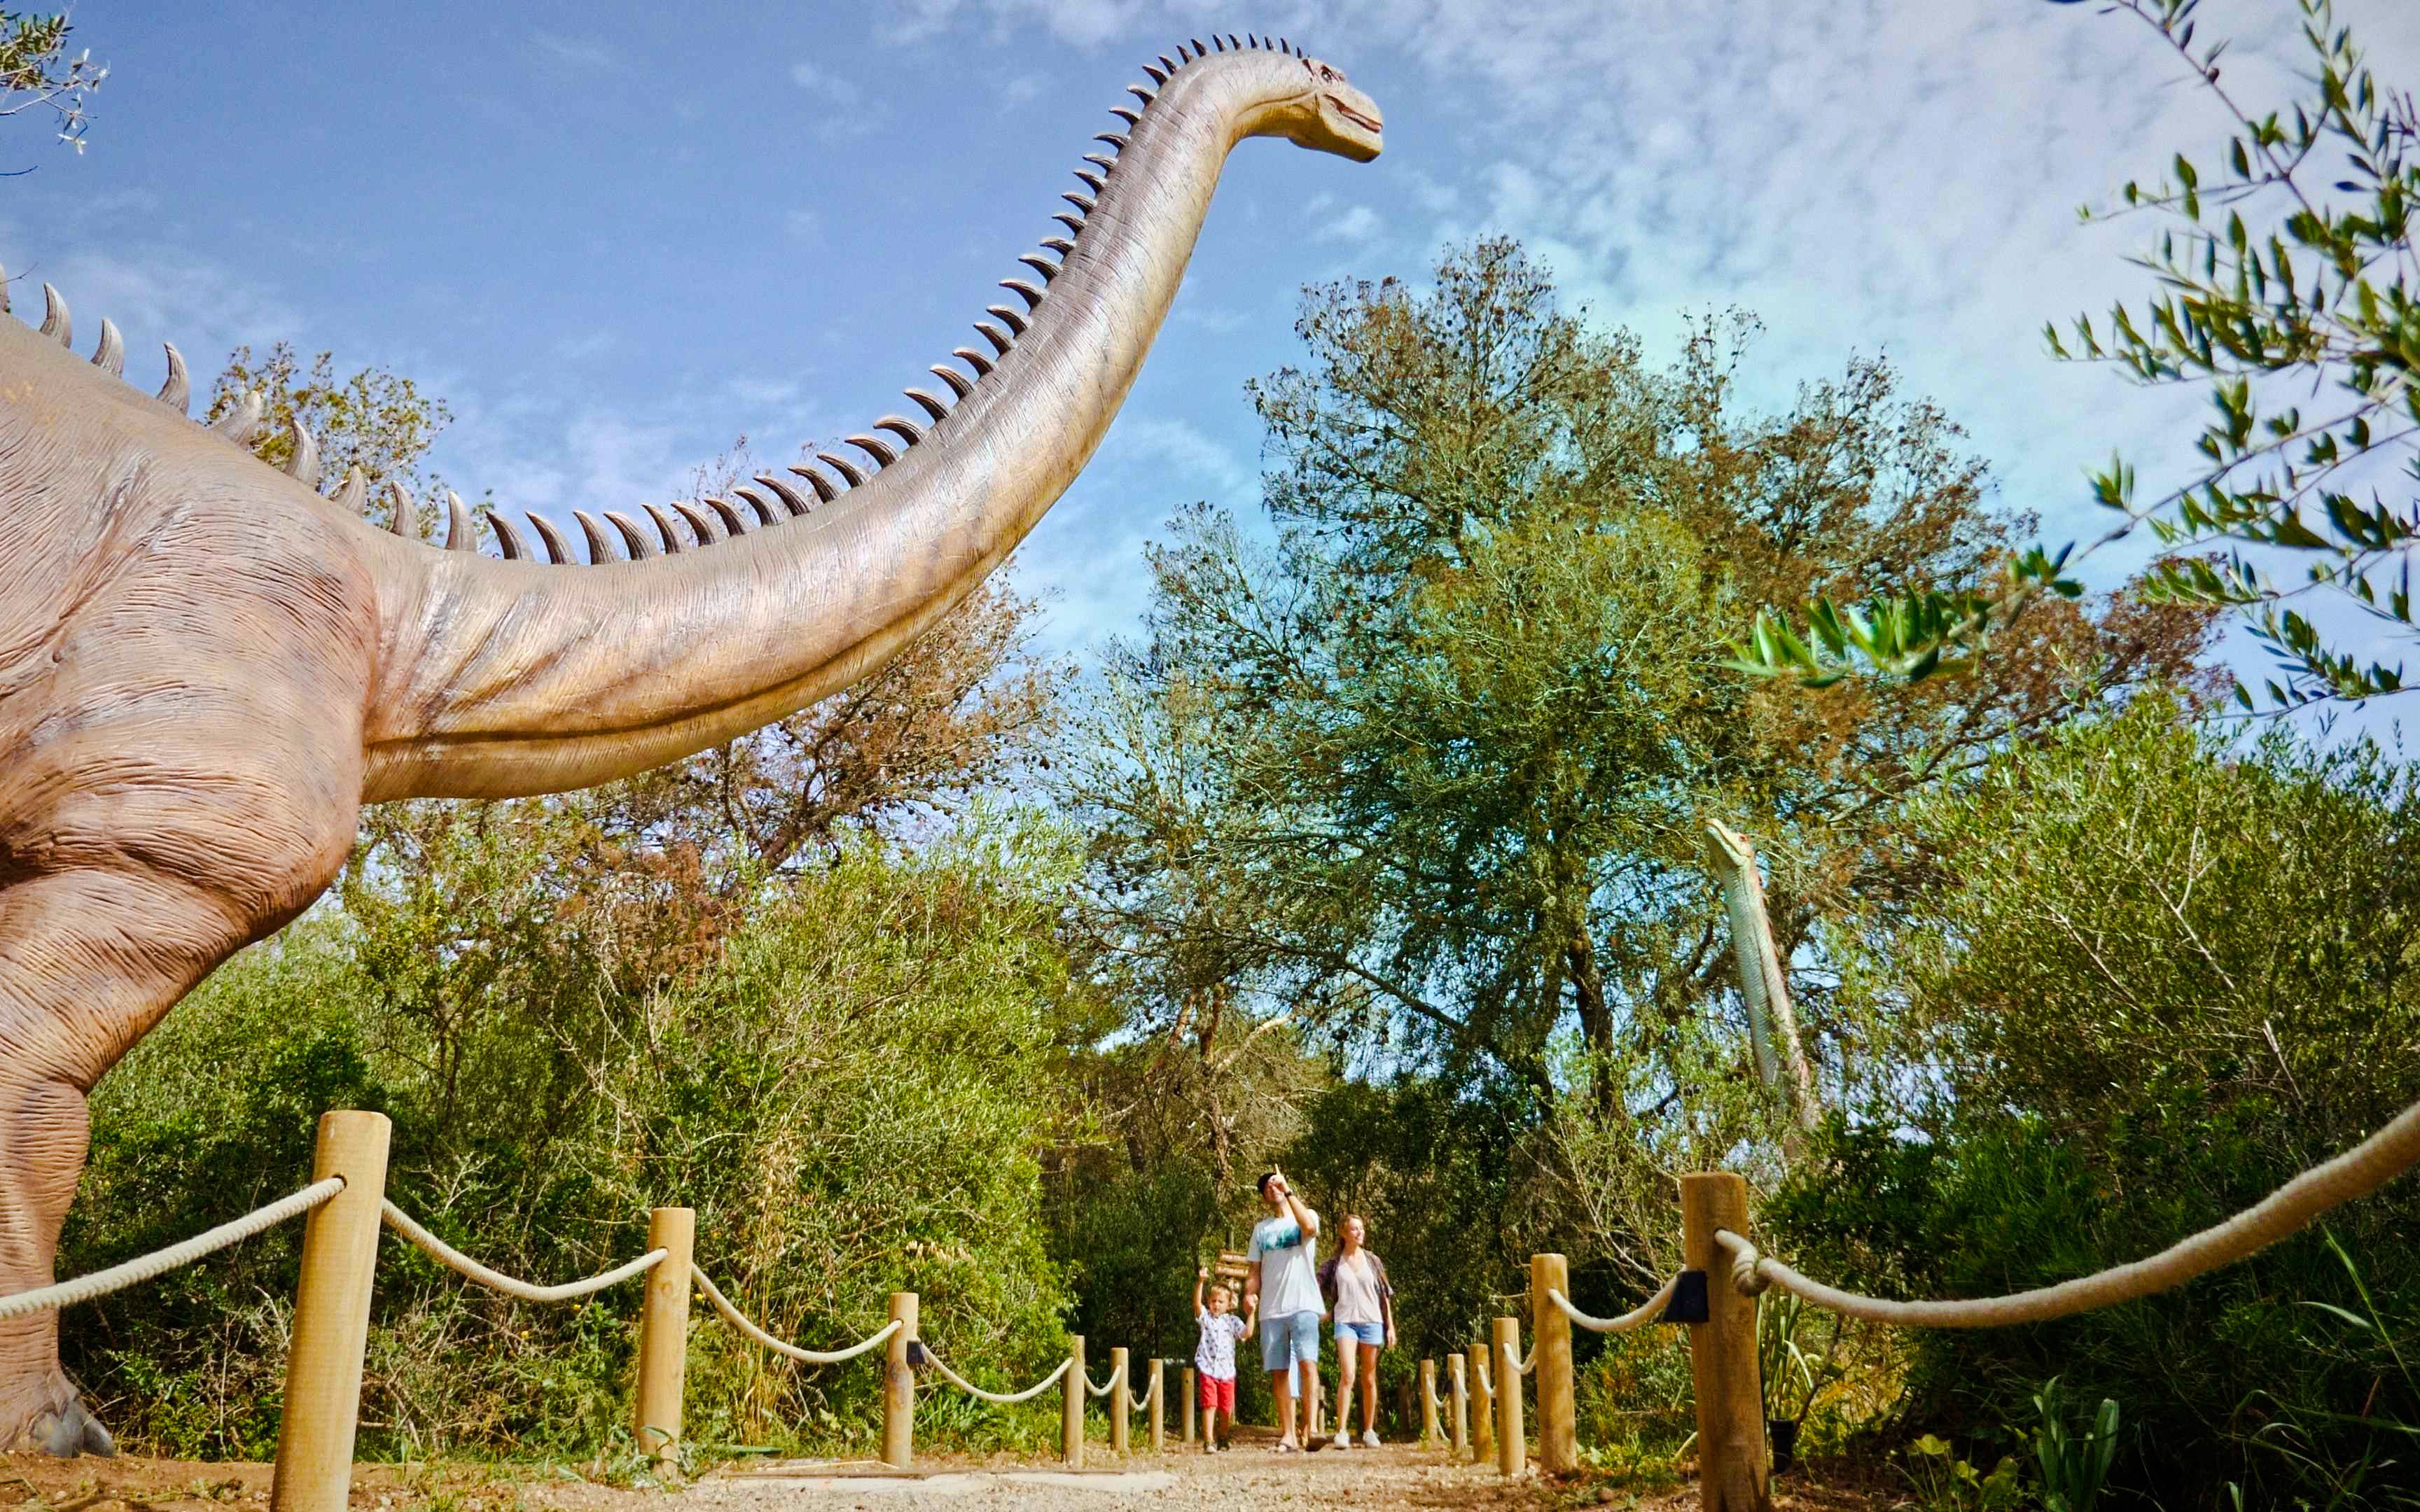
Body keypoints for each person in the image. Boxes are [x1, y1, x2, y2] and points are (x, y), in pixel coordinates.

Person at [1244, 1166, 1323, 1453]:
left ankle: (1311, 1429)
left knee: (1307, 1364)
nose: (1272, 1188)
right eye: (1267, 1187)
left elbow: (1310, 1229)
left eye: (1276, 1184)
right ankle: (1288, 1434)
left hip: (1304, 1305)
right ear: (1264, 1197)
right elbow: (1254, 1269)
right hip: (1271, 1310)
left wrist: (1288, 1190)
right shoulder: (1261, 1229)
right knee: (1278, 1371)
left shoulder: (1306, 1215)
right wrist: (1249, 1294)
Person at [1317, 1214, 1396, 1450]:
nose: (1360, 1232)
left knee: (1369, 1377)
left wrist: (1390, 1326)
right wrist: (1323, 1313)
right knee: (1348, 1374)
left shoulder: (1373, 1261)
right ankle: (1341, 1431)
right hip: (1346, 1322)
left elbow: (1384, 1295)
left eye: (1361, 1228)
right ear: (1344, 1233)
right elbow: (1315, 1286)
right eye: (1354, 1229)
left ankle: (1369, 1431)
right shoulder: (1333, 1264)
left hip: (1372, 1322)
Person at [1192, 1264, 1252, 1452]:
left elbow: (1247, 1334)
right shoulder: (1206, 1318)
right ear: (1209, 1302)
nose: (1216, 1305)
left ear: (1229, 1304)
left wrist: (1252, 1314)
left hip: (1227, 1372)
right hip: (1208, 1368)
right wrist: (1201, 1282)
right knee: (1209, 1404)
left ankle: (1223, 1437)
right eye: (1213, 1301)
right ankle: (1209, 1440)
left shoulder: (1232, 1321)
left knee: (1226, 1408)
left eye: (1221, 1302)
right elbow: (1196, 1305)